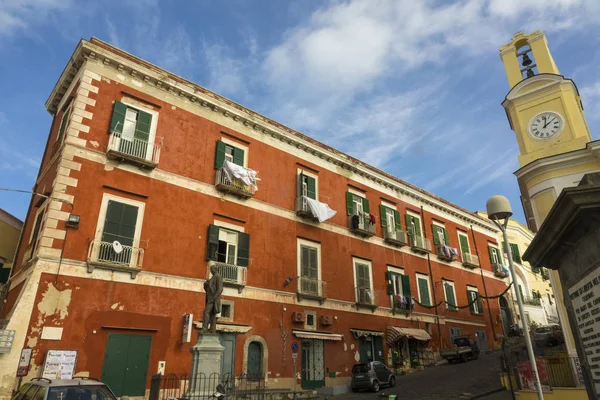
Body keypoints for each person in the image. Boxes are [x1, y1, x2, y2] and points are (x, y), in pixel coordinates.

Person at [200, 265, 223, 334]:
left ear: (214, 269)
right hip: (210, 298)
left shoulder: (218, 276)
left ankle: (204, 328)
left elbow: (220, 289)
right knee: (212, 315)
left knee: (206, 312)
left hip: (213, 299)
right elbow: (208, 289)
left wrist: (214, 298)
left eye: (211, 269)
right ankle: (212, 330)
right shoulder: (213, 277)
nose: (210, 271)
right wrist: (206, 285)